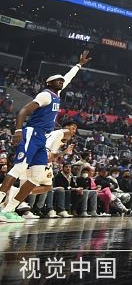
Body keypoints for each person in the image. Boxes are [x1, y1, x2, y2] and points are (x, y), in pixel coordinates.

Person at [0, 51, 91, 222]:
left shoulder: (57, 94)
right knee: (18, 169)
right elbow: (24, 110)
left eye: (62, 81)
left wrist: (79, 65)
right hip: (32, 133)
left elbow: (68, 77)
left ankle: (9, 210)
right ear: (49, 83)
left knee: (36, 178)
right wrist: (18, 131)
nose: (61, 81)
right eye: (58, 80)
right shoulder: (45, 94)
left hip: (42, 139)